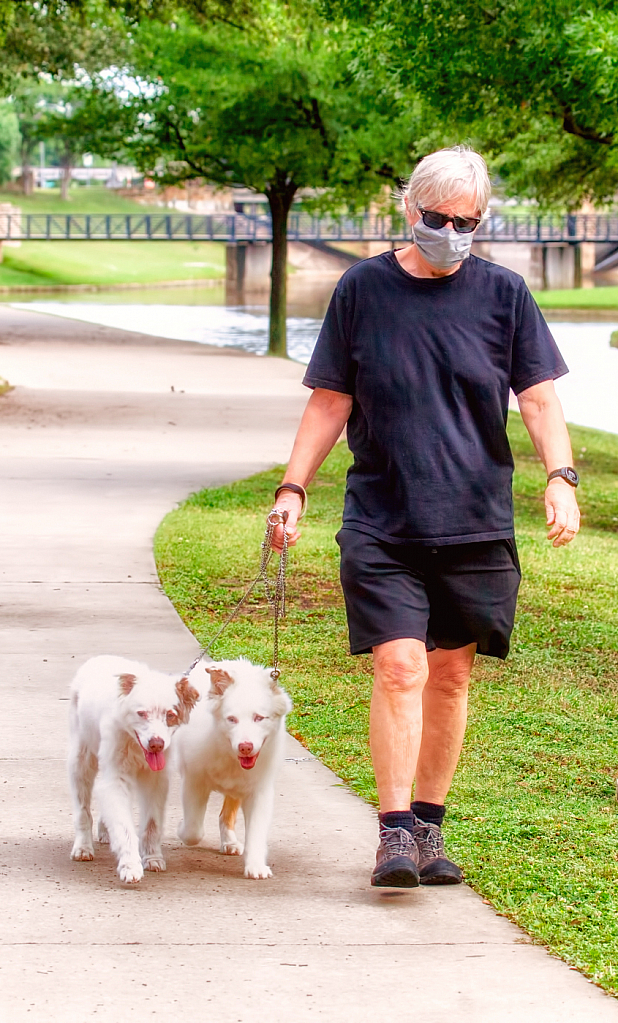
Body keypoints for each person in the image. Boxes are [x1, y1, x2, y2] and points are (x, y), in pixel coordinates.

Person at [271, 146, 580, 888]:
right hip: (383, 518)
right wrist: (293, 487)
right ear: (411, 210)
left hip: (474, 520)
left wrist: (560, 475)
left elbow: (537, 396)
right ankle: (394, 832)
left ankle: (432, 826)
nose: (452, 230)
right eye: (439, 218)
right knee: (401, 664)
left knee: (449, 676)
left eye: (467, 221)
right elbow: (330, 400)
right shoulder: (362, 290)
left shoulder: (504, 295)